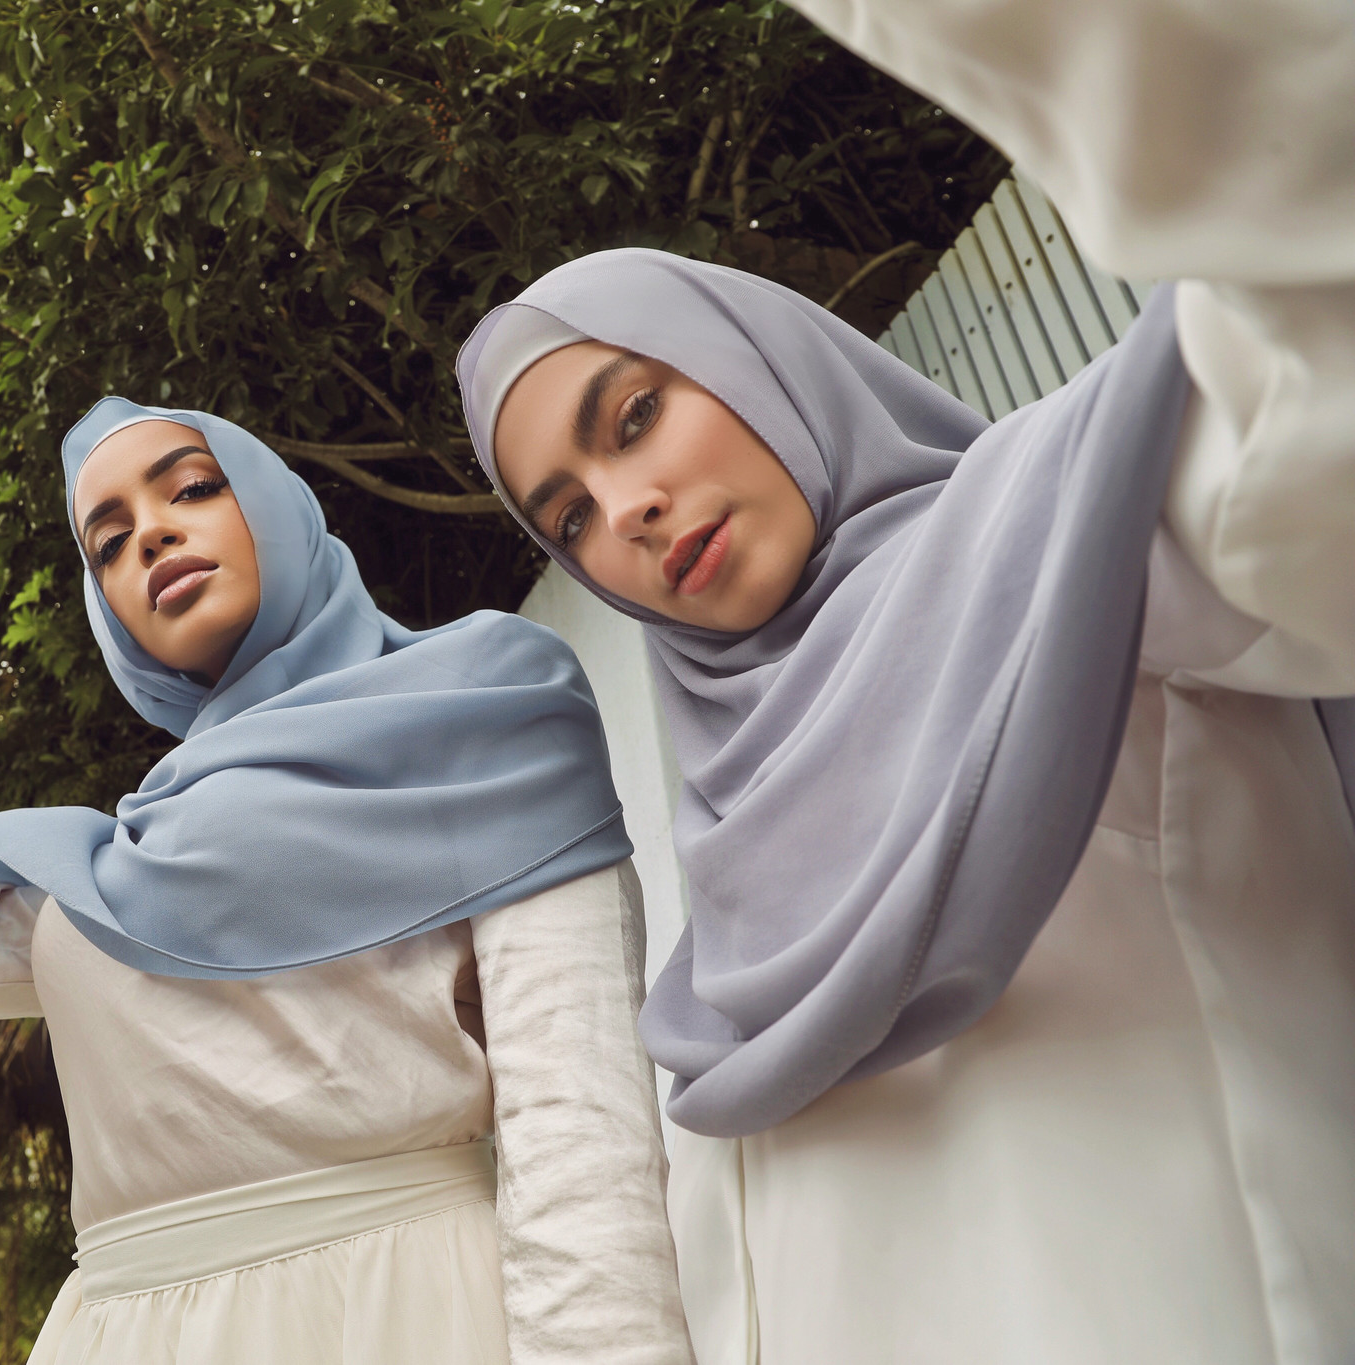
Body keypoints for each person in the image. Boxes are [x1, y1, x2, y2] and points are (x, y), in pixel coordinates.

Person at [453, 2, 1355, 1359]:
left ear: (763, 358)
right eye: (567, 517)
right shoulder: (727, 836)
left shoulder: (1090, 529)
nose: (625, 510)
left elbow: (1307, 409)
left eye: (636, 415)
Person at [0, 399, 693, 1364]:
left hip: (401, 1312)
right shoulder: (102, 873)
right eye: (111, 542)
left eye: (192, 490)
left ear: (271, 505)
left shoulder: (483, 709)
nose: (153, 540)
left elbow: (576, 1123)